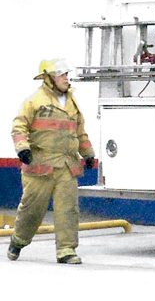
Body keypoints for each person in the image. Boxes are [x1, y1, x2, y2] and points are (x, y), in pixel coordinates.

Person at [7, 58, 95, 264]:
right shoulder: (34, 101)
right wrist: (23, 149)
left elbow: (80, 132)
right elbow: (19, 127)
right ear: (49, 78)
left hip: (67, 166)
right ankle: (18, 240)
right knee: (31, 210)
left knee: (68, 210)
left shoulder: (72, 103)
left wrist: (88, 153)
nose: (67, 78)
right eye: (62, 74)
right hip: (40, 166)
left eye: (67, 74)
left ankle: (66, 250)